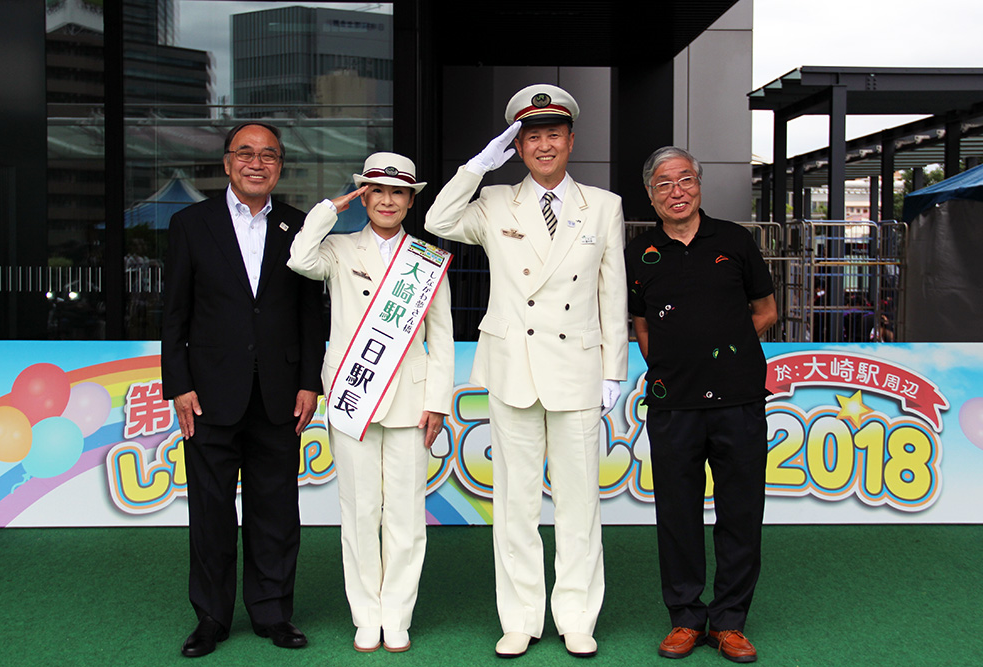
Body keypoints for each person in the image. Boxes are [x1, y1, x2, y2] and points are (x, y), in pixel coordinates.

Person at [425, 84, 627, 658]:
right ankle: (519, 617)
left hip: (578, 370)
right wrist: (477, 166)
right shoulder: (492, 203)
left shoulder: (604, 206)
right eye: (530, 136)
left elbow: (613, 294)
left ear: (571, 140)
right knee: (514, 504)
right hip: (513, 367)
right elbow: (439, 218)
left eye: (553, 134)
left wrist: (614, 367)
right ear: (517, 144)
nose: (543, 145)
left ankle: (577, 615)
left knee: (578, 503)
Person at [161, 122, 324, 658]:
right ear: (228, 163)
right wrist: (178, 386)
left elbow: (308, 314)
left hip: (280, 393)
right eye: (246, 154)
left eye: (269, 155)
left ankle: (274, 613)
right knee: (209, 511)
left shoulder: (299, 228)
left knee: (274, 510)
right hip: (208, 394)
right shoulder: (190, 224)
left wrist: (309, 382)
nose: (258, 163)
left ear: (280, 166)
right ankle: (210, 617)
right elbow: (175, 314)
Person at [287, 152, 454, 653]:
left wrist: (437, 402)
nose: (387, 200)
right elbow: (298, 257)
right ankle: (366, 614)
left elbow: (442, 338)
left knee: (404, 514)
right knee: (359, 513)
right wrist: (330, 209)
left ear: (410, 201)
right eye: (376, 191)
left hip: (410, 403)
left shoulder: (428, 260)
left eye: (398, 192)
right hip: (352, 397)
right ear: (364, 196)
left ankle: (397, 614)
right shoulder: (336, 248)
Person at [624, 146, 777, 663]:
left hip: (739, 400)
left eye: (684, 180)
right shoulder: (639, 254)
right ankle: (686, 618)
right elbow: (641, 323)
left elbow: (766, 309)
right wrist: (672, 359)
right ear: (651, 194)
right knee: (677, 514)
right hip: (672, 405)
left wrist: (726, 349)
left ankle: (730, 622)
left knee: (740, 511)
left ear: (699, 184)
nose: (676, 191)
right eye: (663, 184)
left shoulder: (735, 241)